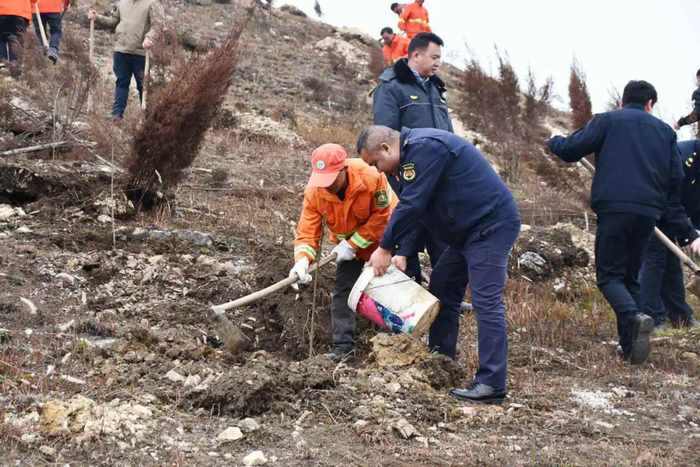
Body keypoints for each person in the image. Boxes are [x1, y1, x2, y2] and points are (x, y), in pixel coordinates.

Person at [358, 126, 521, 405]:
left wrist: (384, 248)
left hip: (490, 227)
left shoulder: (424, 148)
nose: (378, 171)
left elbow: (412, 205)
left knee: (486, 300)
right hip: (467, 233)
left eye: (375, 163)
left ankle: (491, 384)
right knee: (443, 286)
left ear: (386, 148)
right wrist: (404, 251)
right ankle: (440, 361)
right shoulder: (408, 160)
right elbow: (420, 210)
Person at [547, 80, 682, 365]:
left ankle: (634, 317)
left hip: (614, 209)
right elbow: (676, 177)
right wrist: (658, 204)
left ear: (622, 102)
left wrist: (554, 139)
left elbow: (571, 149)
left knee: (608, 277)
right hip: (648, 214)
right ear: (650, 104)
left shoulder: (608, 120)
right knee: (630, 278)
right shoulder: (665, 132)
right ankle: (630, 348)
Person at [290, 144, 397, 362]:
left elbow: (382, 217)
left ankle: (391, 342)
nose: (326, 186)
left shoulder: (371, 175)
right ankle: (343, 347)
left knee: (387, 287)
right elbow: (308, 231)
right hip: (349, 248)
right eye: (322, 179)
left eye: (331, 179)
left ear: (344, 169)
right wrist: (302, 260)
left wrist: (351, 244)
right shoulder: (315, 192)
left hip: (385, 240)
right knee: (343, 290)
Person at [373, 31, 452, 283]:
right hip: (408, 177)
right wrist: (398, 173)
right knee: (407, 240)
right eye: (434, 57)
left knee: (443, 242)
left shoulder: (437, 89)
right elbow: (386, 136)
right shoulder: (391, 87)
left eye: (440, 58)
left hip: (440, 178)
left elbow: (448, 133)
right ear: (416, 55)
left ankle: (446, 297)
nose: (438, 63)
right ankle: (410, 293)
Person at [639, 139, 700, 331]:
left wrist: (697, 229)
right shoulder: (682, 157)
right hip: (649, 206)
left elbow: (696, 199)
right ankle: (650, 318)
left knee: (671, 264)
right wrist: (692, 236)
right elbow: (669, 202)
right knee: (654, 261)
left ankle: (680, 316)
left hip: (668, 214)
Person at [88, 0, 164, 119]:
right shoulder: (122, 2)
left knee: (143, 85)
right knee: (121, 81)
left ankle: (148, 117)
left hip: (141, 52)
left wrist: (150, 38)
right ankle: (117, 113)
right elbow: (113, 21)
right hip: (121, 50)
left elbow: (158, 25)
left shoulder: (152, 3)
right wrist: (97, 18)